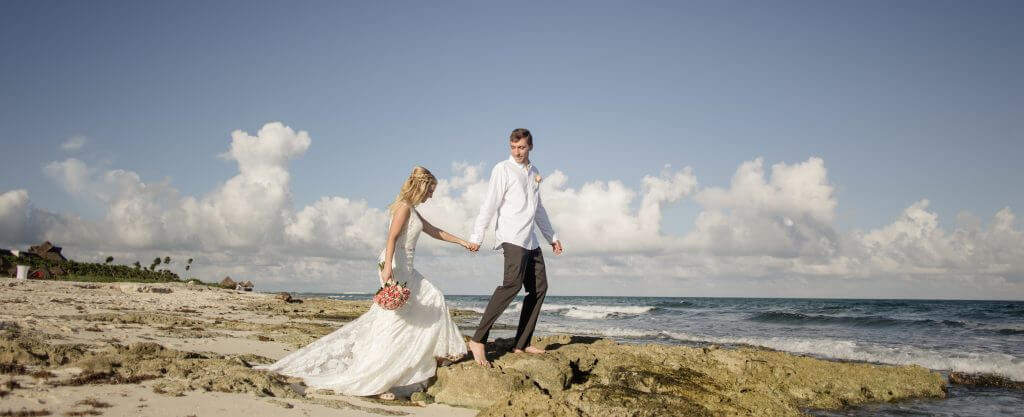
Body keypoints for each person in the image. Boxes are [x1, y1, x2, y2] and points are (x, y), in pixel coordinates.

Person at [257, 167, 471, 399]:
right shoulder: (403, 209)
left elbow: (435, 231)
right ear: (421, 186)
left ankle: (432, 353)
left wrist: (462, 242)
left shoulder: (414, 212)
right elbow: (391, 237)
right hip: (397, 266)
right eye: (430, 190)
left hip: (407, 268)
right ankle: (380, 378)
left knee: (431, 298)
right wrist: (388, 267)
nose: (431, 195)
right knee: (393, 323)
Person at [465, 128, 563, 367]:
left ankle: (522, 342)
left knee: (540, 287)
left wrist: (552, 236)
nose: (517, 152)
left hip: (530, 239)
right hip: (512, 237)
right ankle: (478, 340)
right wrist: (477, 235)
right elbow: (490, 203)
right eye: (513, 147)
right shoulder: (502, 169)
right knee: (512, 284)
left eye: (522, 147)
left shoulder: (535, 172)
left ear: (530, 147)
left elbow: (538, 208)